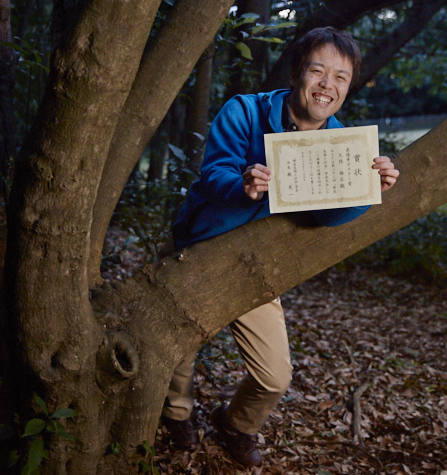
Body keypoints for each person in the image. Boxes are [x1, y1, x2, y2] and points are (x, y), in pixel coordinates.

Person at [160, 27, 399, 468]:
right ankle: (177, 416)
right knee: (179, 348)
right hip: (198, 247)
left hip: (255, 266)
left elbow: (327, 216)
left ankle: (236, 424)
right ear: (296, 73)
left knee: (274, 375)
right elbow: (213, 174)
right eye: (318, 71)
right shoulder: (245, 112)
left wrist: (369, 188)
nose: (328, 85)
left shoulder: (343, 144)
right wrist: (243, 186)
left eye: (341, 78)